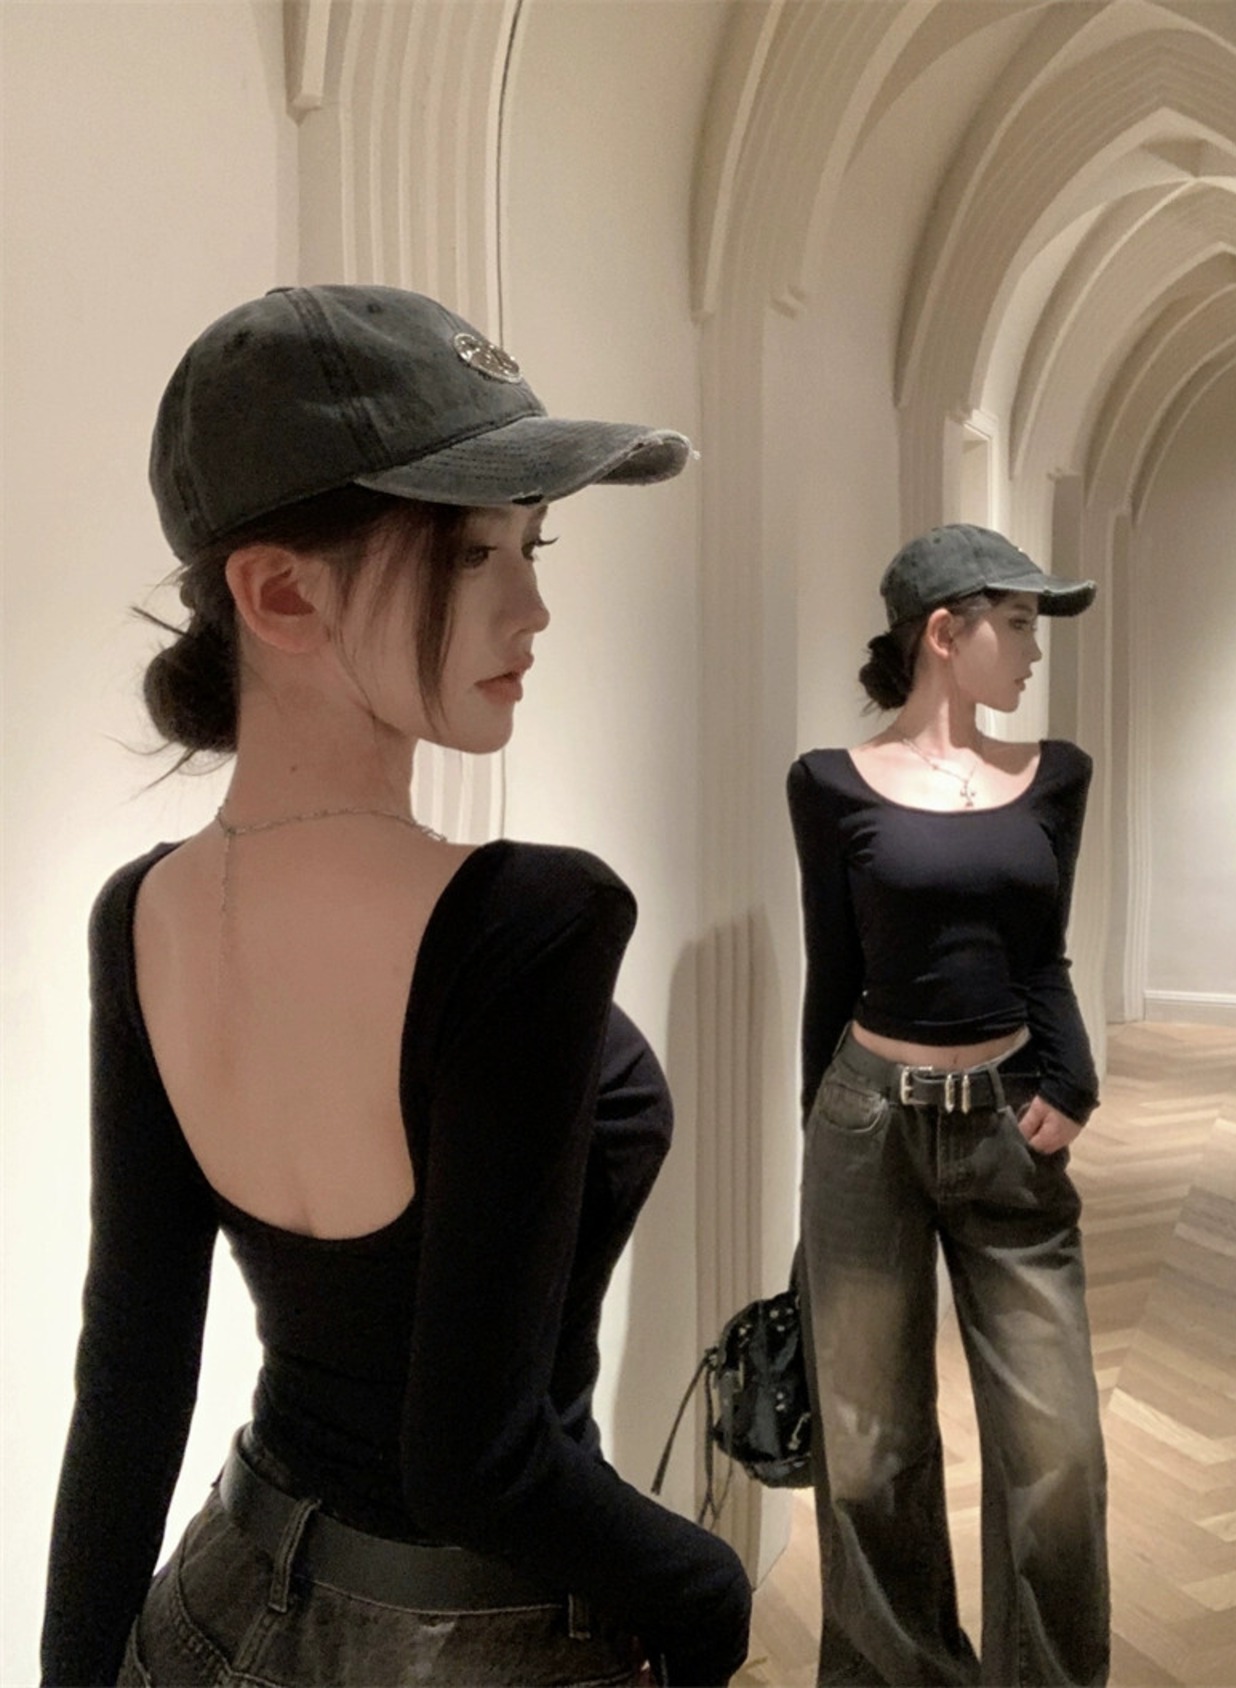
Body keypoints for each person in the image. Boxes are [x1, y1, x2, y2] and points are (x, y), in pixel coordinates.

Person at [41, 284, 751, 1688]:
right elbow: (477, 1459)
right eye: (473, 553)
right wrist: (705, 1582)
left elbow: (129, 1380)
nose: (533, 607)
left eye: (533, 545)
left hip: (218, 1603)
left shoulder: (144, 911)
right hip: (480, 1634)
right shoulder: (530, 919)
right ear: (281, 593)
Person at [787, 523, 1109, 1686]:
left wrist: (1070, 1079)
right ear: (941, 631)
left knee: (1057, 1455)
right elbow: (831, 970)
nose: (1031, 648)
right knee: (868, 1453)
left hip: (1006, 1120)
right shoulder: (826, 783)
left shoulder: (1054, 773)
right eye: (1015, 622)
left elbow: (1042, 952)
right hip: (864, 1123)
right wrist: (816, 1142)